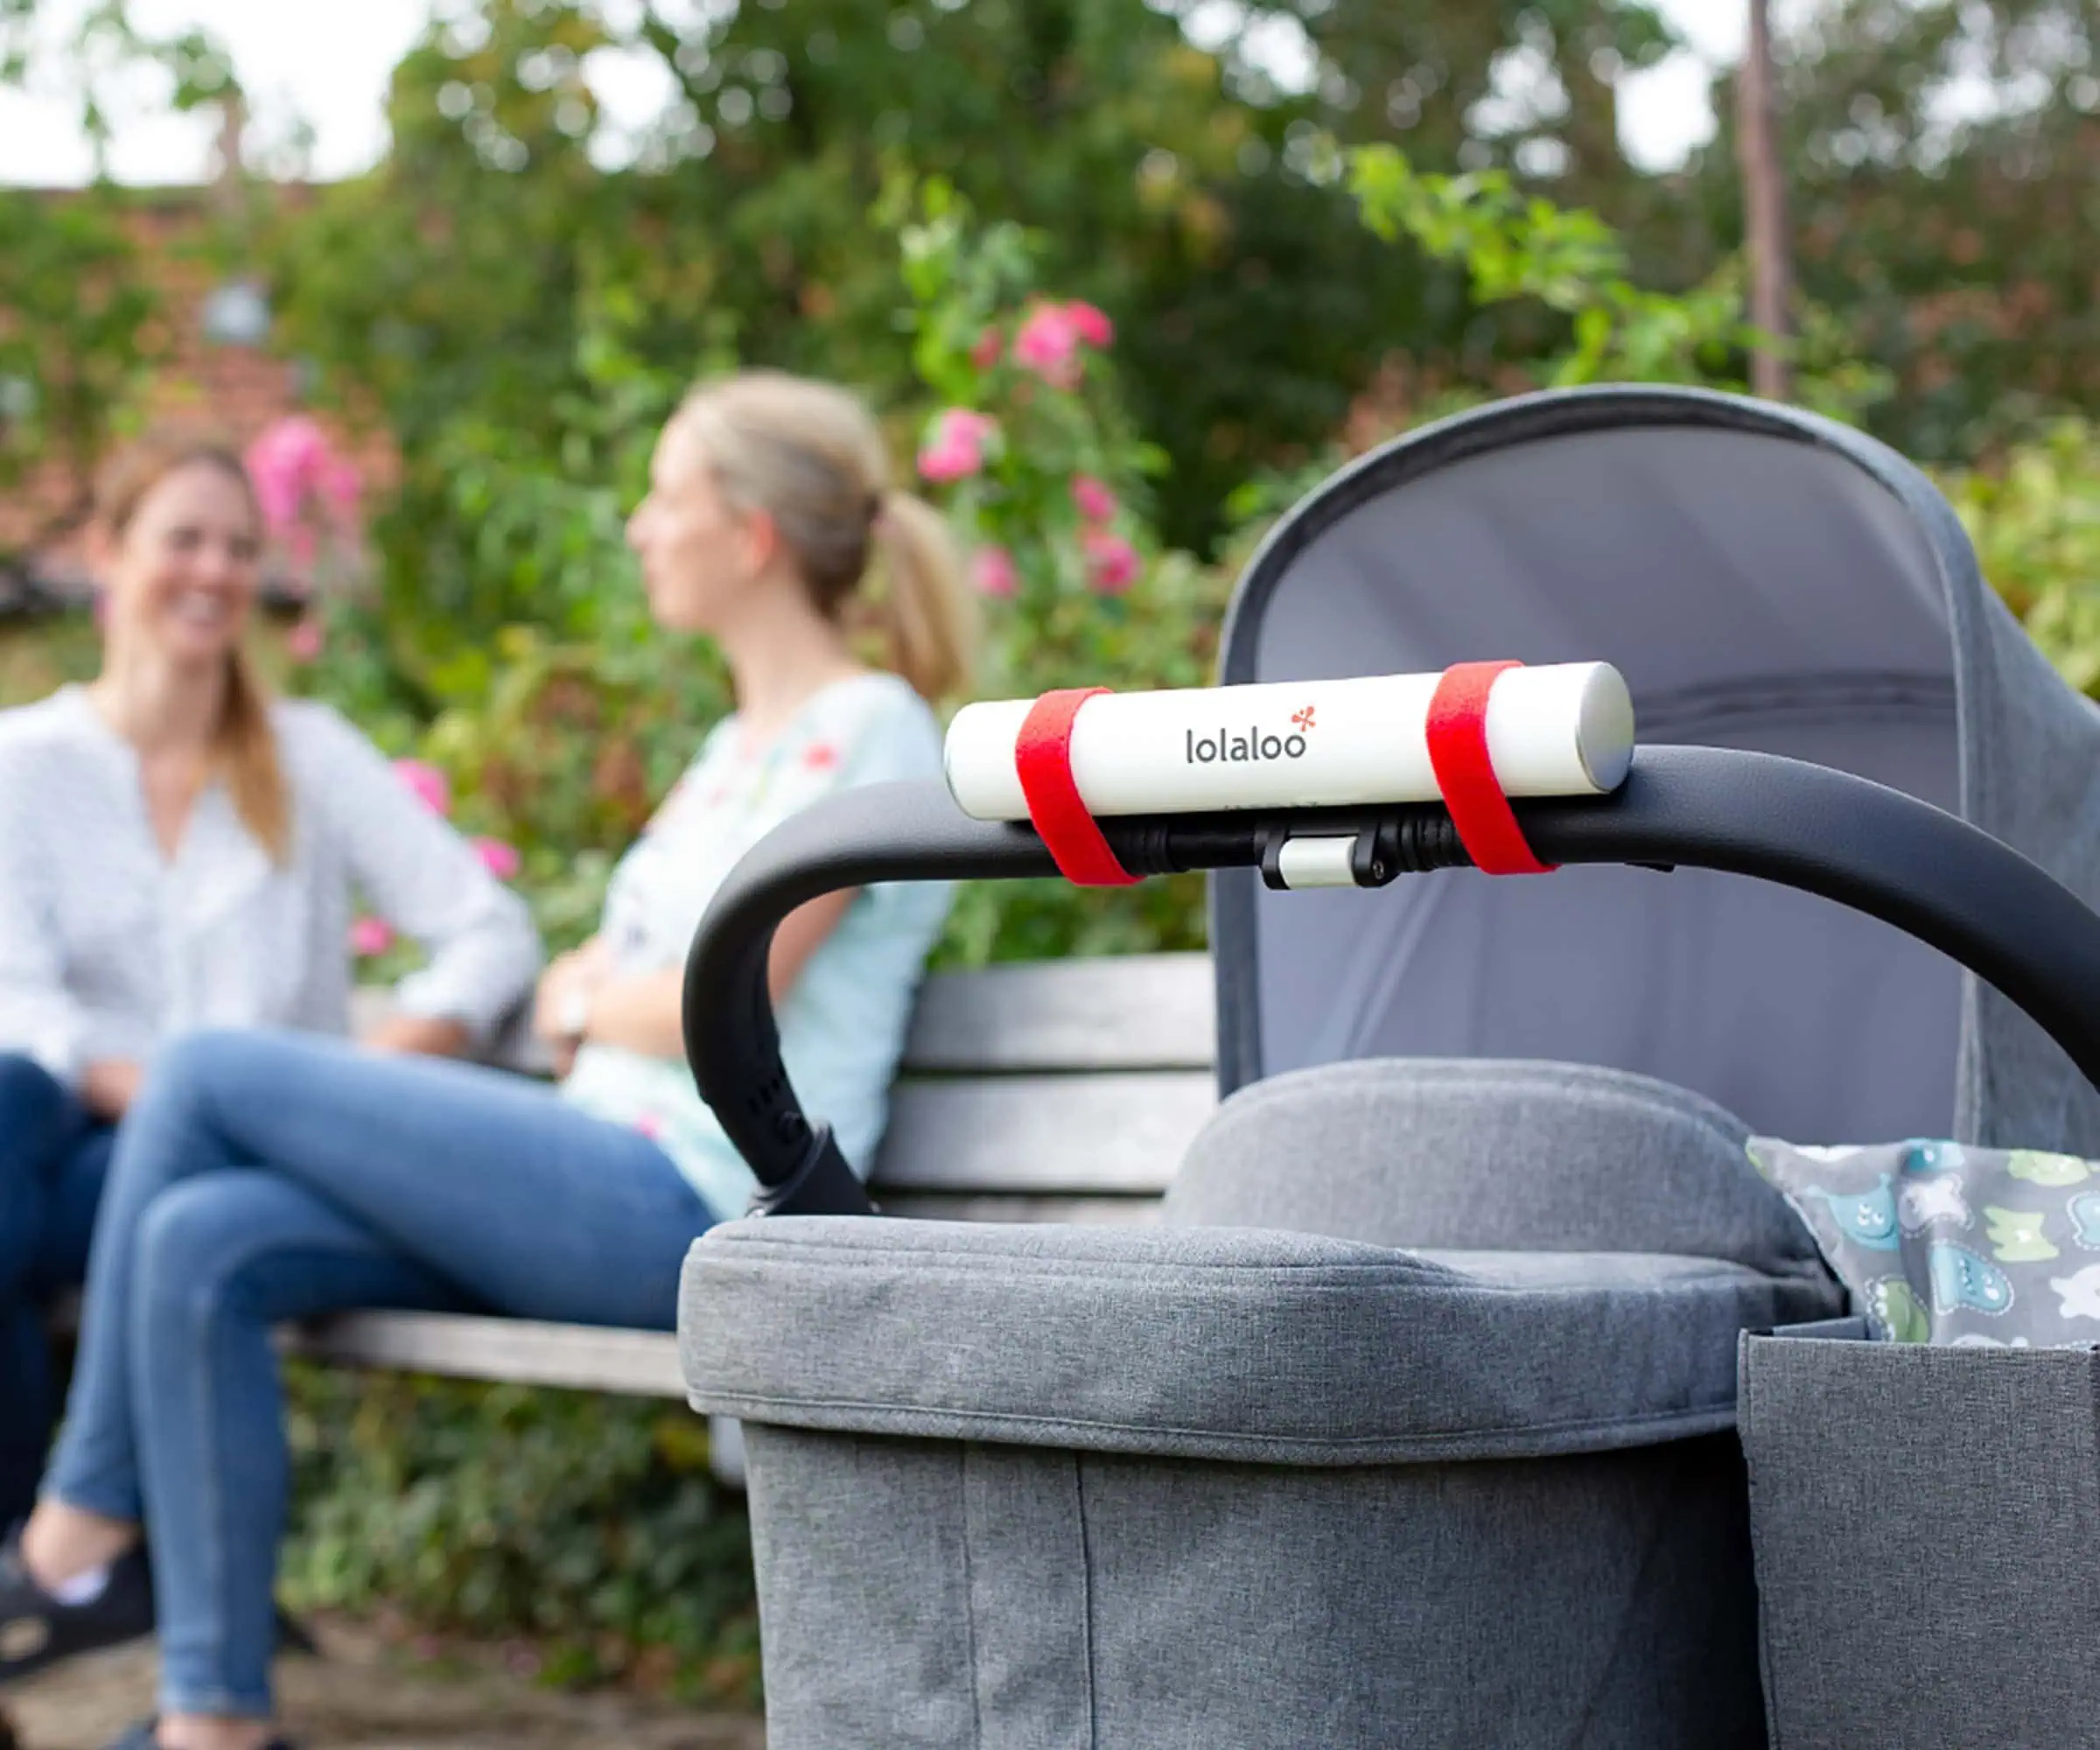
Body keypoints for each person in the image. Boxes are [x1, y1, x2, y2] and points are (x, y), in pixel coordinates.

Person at [0, 370, 976, 1750]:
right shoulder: (728, 750)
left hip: (704, 1204)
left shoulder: (869, 724)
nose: (640, 527)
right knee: (202, 1236)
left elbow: (731, 988)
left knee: (213, 1070)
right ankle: (209, 1724)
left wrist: (594, 999)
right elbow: (606, 979)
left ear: (748, 534)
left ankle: (71, 1531)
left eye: (665, 497)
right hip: (590, 1174)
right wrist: (593, 998)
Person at [0, 431, 543, 1534]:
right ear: (106, 551)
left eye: (240, 548)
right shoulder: (25, 763)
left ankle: (52, 1570)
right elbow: (22, 1000)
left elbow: (489, 930)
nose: (215, 571)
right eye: (183, 539)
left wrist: (354, 1081)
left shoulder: (309, 755)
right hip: (75, 1143)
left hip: (245, 1159)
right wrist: (164, 1094)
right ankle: (64, 1564)